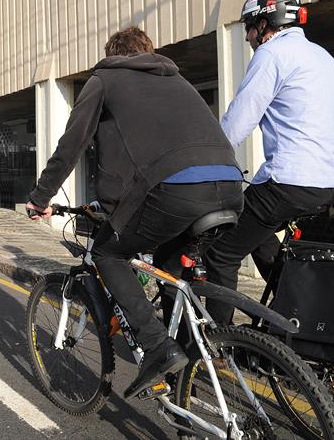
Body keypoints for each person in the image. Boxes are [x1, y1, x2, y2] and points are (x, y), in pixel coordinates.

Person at [25, 26, 244, 399]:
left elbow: (72, 144)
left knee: (109, 253)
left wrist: (42, 196)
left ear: (113, 54)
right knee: (167, 265)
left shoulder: (105, 79)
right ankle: (188, 362)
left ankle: (158, 347)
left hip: (175, 194)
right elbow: (150, 149)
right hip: (230, 186)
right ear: (148, 52)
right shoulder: (178, 81)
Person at [202, 0, 334, 324]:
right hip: (329, 182)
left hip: (288, 180)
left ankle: (214, 344)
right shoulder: (326, 59)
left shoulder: (271, 55)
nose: (248, 39)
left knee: (221, 255)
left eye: (249, 29)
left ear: (265, 24)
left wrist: (203, 161)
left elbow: (237, 123)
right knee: (261, 237)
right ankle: (298, 321)